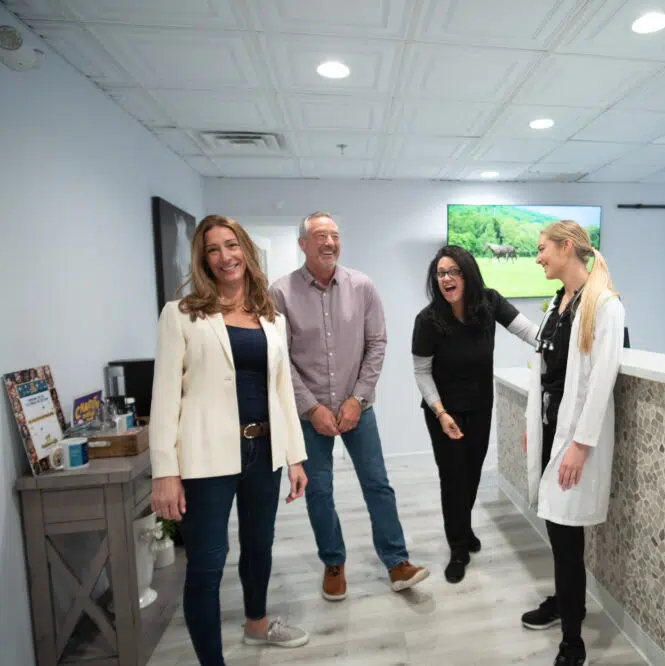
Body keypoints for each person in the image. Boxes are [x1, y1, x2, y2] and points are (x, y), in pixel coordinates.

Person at [149, 215, 310, 666]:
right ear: (204, 259)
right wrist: (165, 470)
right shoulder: (180, 315)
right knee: (206, 564)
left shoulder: (270, 318)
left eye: (232, 245)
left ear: (246, 251)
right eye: (214, 249)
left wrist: (295, 457)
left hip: (264, 453)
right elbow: (164, 398)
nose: (226, 256)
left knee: (259, 547)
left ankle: (257, 626)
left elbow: (282, 392)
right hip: (205, 459)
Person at [270, 211, 430, 601]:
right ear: (303, 244)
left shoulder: (362, 286)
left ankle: (396, 562)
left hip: (359, 409)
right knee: (319, 491)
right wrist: (311, 408)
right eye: (320, 236)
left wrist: (357, 400)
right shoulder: (280, 292)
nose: (329, 242)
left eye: (335, 235)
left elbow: (377, 344)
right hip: (310, 415)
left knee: (377, 484)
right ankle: (333, 562)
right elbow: (279, 357)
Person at [520, 220, 625, 666]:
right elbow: (547, 372)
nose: (538, 256)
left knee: (566, 535)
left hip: (576, 440)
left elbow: (601, 382)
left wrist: (581, 445)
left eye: (543, 248)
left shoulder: (604, 305)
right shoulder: (559, 304)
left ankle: (573, 641)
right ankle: (566, 602)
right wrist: (534, 424)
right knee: (554, 526)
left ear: (566, 248)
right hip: (551, 430)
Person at [411, 245, 538, 583]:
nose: (446, 278)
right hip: (444, 413)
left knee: (472, 472)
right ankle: (457, 548)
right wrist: (440, 413)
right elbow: (422, 372)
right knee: (453, 478)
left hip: (480, 406)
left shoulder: (489, 303)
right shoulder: (427, 320)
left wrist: (558, 343)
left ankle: (463, 529)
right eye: (440, 273)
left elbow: (529, 332)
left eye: (453, 271)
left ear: (467, 274)